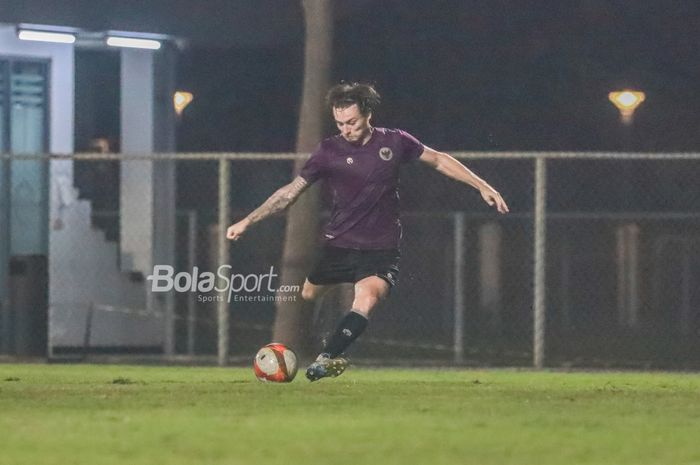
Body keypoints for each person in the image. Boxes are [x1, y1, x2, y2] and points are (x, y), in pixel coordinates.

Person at [226, 82, 509, 381]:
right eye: (339, 123)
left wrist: (483, 187)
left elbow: (438, 159)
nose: (345, 129)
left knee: (366, 298)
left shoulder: (395, 142)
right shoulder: (329, 151)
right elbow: (289, 194)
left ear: (368, 114)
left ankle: (328, 357)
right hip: (340, 245)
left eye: (351, 122)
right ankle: (329, 341)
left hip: (381, 247)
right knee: (309, 293)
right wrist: (248, 220)